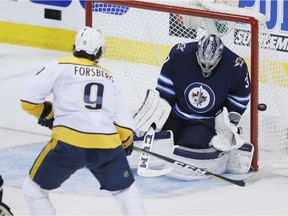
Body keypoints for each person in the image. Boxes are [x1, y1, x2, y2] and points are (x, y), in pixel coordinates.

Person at [20, 27, 146, 215]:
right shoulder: (110, 77)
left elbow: (28, 100)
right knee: (126, 192)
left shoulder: (60, 65)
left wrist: (46, 113)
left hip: (69, 144)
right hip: (107, 145)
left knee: (34, 189)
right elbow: (124, 124)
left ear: (75, 46)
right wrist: (125, 142)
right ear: (100, 51)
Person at [134, 34, 253, 177]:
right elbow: (165, 91)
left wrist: (227, 123)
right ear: (197, 53)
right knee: (160, 140)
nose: (206, 68)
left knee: (189, 146)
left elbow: (239, 99)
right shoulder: (179, 54)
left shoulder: (236, 66)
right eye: (203, 63)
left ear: (220, 58)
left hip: (205, 121)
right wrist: (156, 113)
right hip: (176, 113)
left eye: (211, 64)